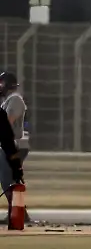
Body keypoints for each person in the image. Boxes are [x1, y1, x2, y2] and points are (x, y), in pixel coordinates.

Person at [0, 72, 28, 210]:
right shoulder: (8, 100)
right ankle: (16, 212)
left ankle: (18, 213)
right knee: (8, 180)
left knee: (7, 180)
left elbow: (8, 122)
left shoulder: (15, 99)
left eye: (1, 83)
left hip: (15, 144)